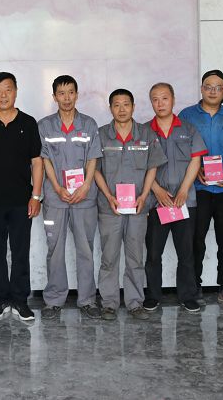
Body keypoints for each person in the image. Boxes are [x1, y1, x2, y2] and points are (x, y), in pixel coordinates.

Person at [0, 72, 43, 321]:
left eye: (8, 89)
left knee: (20, 252)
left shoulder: (28, 122)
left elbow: (37, 162)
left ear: (16, 91)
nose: (3, 95)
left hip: (21, 201)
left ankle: (20, 301)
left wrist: (36, 196)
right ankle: (0, 300)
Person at [93, 89, 166, 320]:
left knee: (135, 257)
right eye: (116, 105)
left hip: (137, 207)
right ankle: (109, 303)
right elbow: (94, 170)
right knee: (109, 257)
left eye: (126, 104)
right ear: (110, 108)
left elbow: (153, 166)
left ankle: (135, 302)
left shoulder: (146, 134)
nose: (122, 109)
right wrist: (108, 196)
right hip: (110, 208)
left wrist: (144, 195)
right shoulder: (101, 135)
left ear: (134, 107)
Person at [37, 75, 102, 319]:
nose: (66, 98)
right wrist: (57, 187)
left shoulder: (89, 124)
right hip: (56, 198)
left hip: (84, 198)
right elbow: (44, 160)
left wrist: (85, 186)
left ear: (77, 94)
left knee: (85, 248)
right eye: (61, 93)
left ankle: (87, 300)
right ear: (54, 96)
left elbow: (93, 158)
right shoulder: (44, 126)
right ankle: (54, 299)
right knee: (55, 249)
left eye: (71, 92)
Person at [179, 70, 223, 307]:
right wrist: (195, 170)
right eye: (208, 86)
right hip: (198, 189)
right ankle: (194, 286)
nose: (213, 91)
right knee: (196, 239)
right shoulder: (187, 115)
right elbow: (180, 149)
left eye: (218, 87)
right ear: (201, 88)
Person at [143, 83, 207, 314]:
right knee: (153, 253)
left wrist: (184, 190)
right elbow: (140, 166)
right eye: (155, 99)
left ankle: (187, 296)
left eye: (164, 98)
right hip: (156, 202)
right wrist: (157, 190)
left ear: (173, 99)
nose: (160, 103)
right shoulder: (144, 131)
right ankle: (153, 295)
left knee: (186, 252)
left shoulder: (188, 129)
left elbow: (195, 160)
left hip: (184, 201)